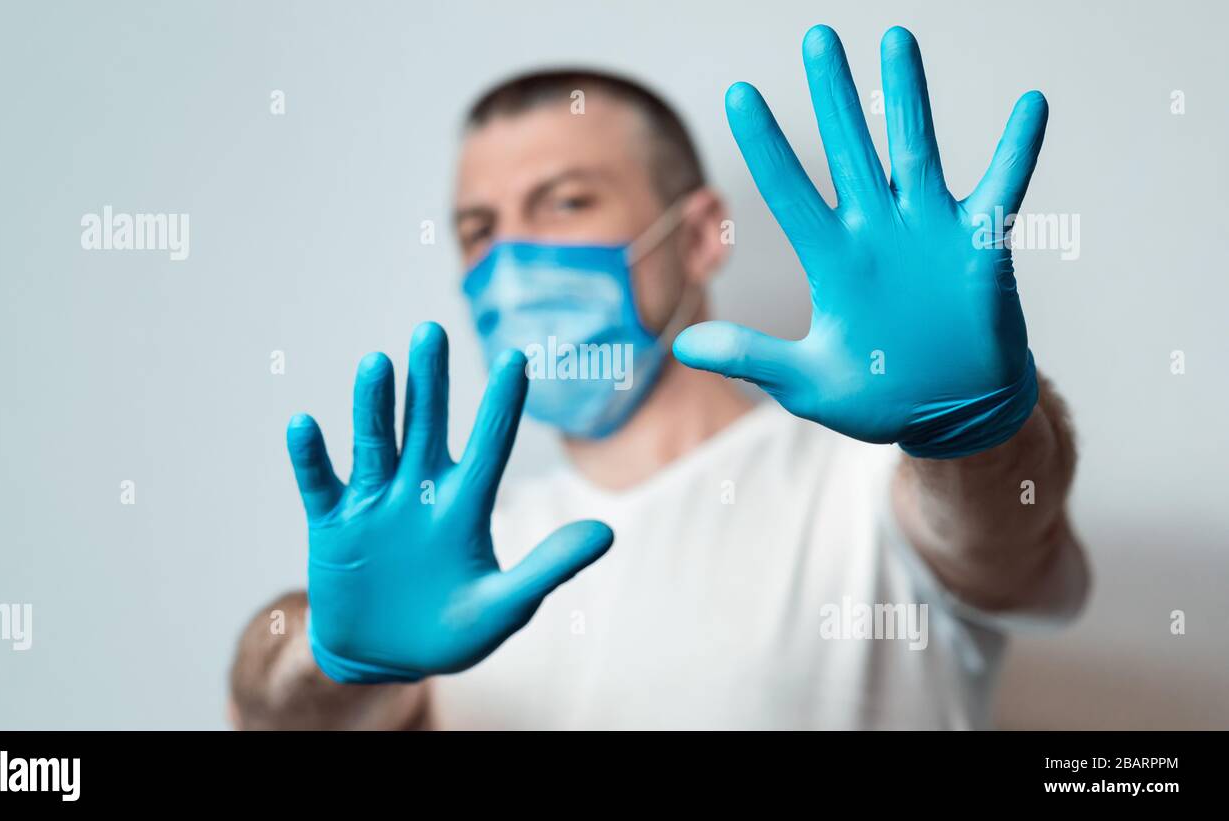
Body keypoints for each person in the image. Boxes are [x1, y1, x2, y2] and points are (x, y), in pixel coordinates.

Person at [228, 25, 1088, 730]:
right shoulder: (467, 559)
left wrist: (973, 431)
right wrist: (328, 658)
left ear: (701, 234)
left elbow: (1003, 538)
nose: (511, 260)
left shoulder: (868, 487)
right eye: (478, 227)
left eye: (564, 202)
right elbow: (274, 719)